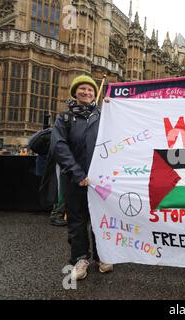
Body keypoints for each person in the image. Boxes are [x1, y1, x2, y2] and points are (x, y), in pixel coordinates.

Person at [51, 75, 113, 280]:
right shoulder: (64, 118)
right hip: (74, 178)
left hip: (99, 180)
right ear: (75, 93)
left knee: (99, 220)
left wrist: (115, 109)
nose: (87, 93)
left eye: (90, 90)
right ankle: (80, 259)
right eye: (82, 89)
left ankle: (102, 256)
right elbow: (59, 147)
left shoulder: (103, 116)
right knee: (77, 221)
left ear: (95, 94)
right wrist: (78, 174)